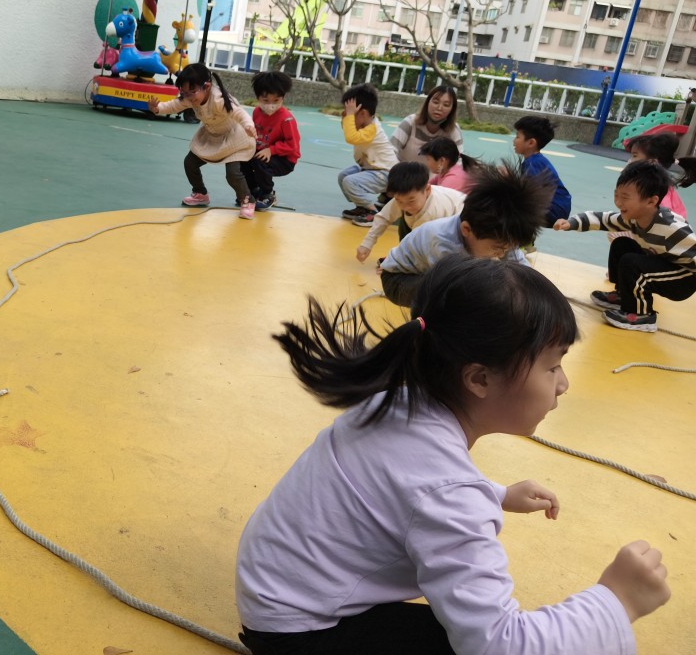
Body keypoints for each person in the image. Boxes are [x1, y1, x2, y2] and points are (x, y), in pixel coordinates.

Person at [236, 254, 670, 655]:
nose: (563, 384)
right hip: (301, 634)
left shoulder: (397, 398)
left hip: (275, 593)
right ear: (479, 379)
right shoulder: (448, 491)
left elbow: (404, 485)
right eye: (552, 366)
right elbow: (499, 645)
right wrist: (618, 601)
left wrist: (496, 494)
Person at [553, 160, 696, 333]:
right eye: (617, 195)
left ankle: (642, 315)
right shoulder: (635, 218)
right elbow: (602, 219)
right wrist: (571, 223)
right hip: (665, 266)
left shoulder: (671, 228)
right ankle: (624, 295)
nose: (618, 202)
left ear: (651, 201)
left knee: (632, 262)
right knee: (622, 244)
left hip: (684, 279)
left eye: (625, 197)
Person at [379, 163, 551, 307]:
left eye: (508, 247)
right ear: (466, 230)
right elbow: (454, 284)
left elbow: (520, 265)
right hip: (399, 280)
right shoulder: (443, 241)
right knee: (460, 292)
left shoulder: (499, 234)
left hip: (433, 273)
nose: (501, 253)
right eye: (497, 248)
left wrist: (541, 292)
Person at [147, 63, 258, 219]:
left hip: (234, 139)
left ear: (207, 86)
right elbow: (174, 105)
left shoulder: (219, 100)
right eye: (184, 92)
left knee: (233, 174)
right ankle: (200, 193)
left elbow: (239, 113)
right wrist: (158, 108)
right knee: (190, 163)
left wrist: (248, 125)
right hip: (212, 136)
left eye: (192, 92)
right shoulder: (191, 98)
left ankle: (247, 200)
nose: (188, 97)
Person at [355, 162, 465, 265]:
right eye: (399, 200)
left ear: (427, 190)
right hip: (439, 229)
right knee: (406, 218)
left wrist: (396, 263)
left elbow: (418, 242)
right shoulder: (406, 197)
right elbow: (384, 218)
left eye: (411, 201)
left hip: (465, 227)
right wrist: (366, 244)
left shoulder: (433, 212)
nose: (405, 206)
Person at [338, 83, 398, 226]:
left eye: (350, 114)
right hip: (372, 169)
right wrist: (349, 115)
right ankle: (362, 207)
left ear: (363, 114)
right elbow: (347, 129)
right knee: (343, 176)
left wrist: (349, 115)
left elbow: (351, 137)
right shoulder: (363, 124)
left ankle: (373, 212)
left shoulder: (372, 128)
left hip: (386, 173)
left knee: (350, 182)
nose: (346, 117)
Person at [241, 71, 301, 210]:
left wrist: (271, 150)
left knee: (259, 161)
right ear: (258, 98)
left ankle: (268, 194)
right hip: (263, 151)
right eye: (265, 100)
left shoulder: (286, 119)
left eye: (276, 101)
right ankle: (253, 191)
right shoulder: (257, 112)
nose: (271, 105)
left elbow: (292, 145)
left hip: (285, 159)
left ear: (283, 98)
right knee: (242, 160)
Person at [513, 115, 572, 226]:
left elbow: (529, 193)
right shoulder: (536, 160)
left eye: (517, 137)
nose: (514, 141)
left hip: (554, 210)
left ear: (531, 143)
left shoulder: (533, 163)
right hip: (558, 208)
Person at [626, 132, 696, 219]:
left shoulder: (656, 186)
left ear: (652, 161)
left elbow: (665, 215)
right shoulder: (647, 180)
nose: (630, 160)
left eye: (634, 155)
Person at [390, 85, 463, 164]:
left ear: (452, 109)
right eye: (435, 102)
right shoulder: (410, 123)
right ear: (427, 102)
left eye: (446, 105)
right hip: (402, 170)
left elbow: (459, 161)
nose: (439, 108)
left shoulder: (453, 130)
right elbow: (390, 150)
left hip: (436, 173)